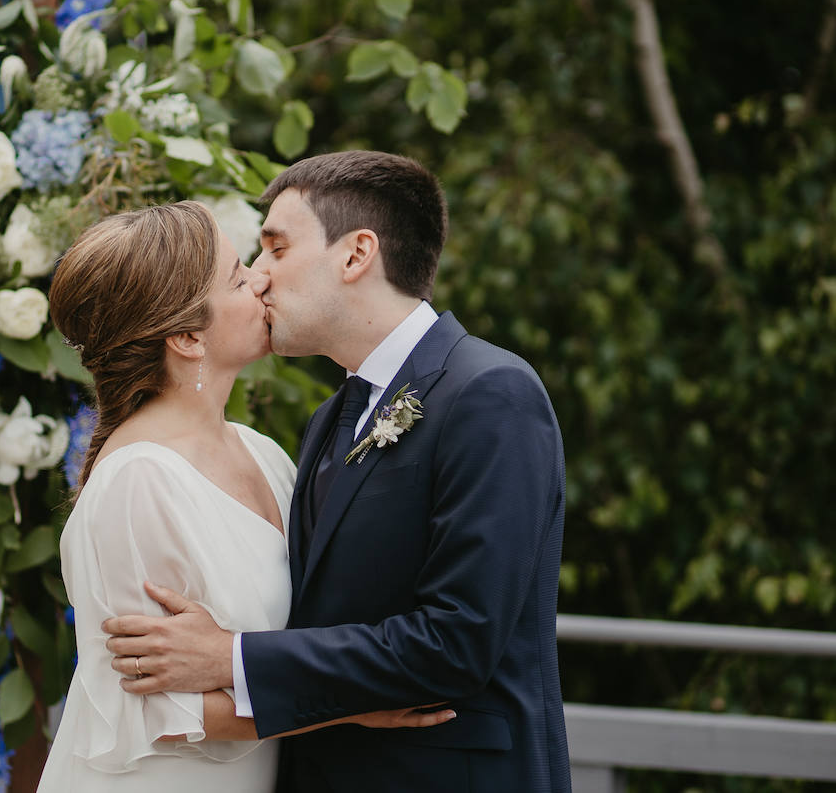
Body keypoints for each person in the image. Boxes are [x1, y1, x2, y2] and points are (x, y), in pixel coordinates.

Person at [102, 153, 571, 793]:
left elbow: (457, 642)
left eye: (275, 248)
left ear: (355, 256)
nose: (259, 278)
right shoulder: (331, 418)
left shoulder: (491, 393)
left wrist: (227, 656)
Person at [38, 201, 454, 793]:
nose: (262, 278)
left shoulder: (263, 453)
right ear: (186, 336)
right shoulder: (137, 483)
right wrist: (349, 705)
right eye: (237, 277)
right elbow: (152, 713)